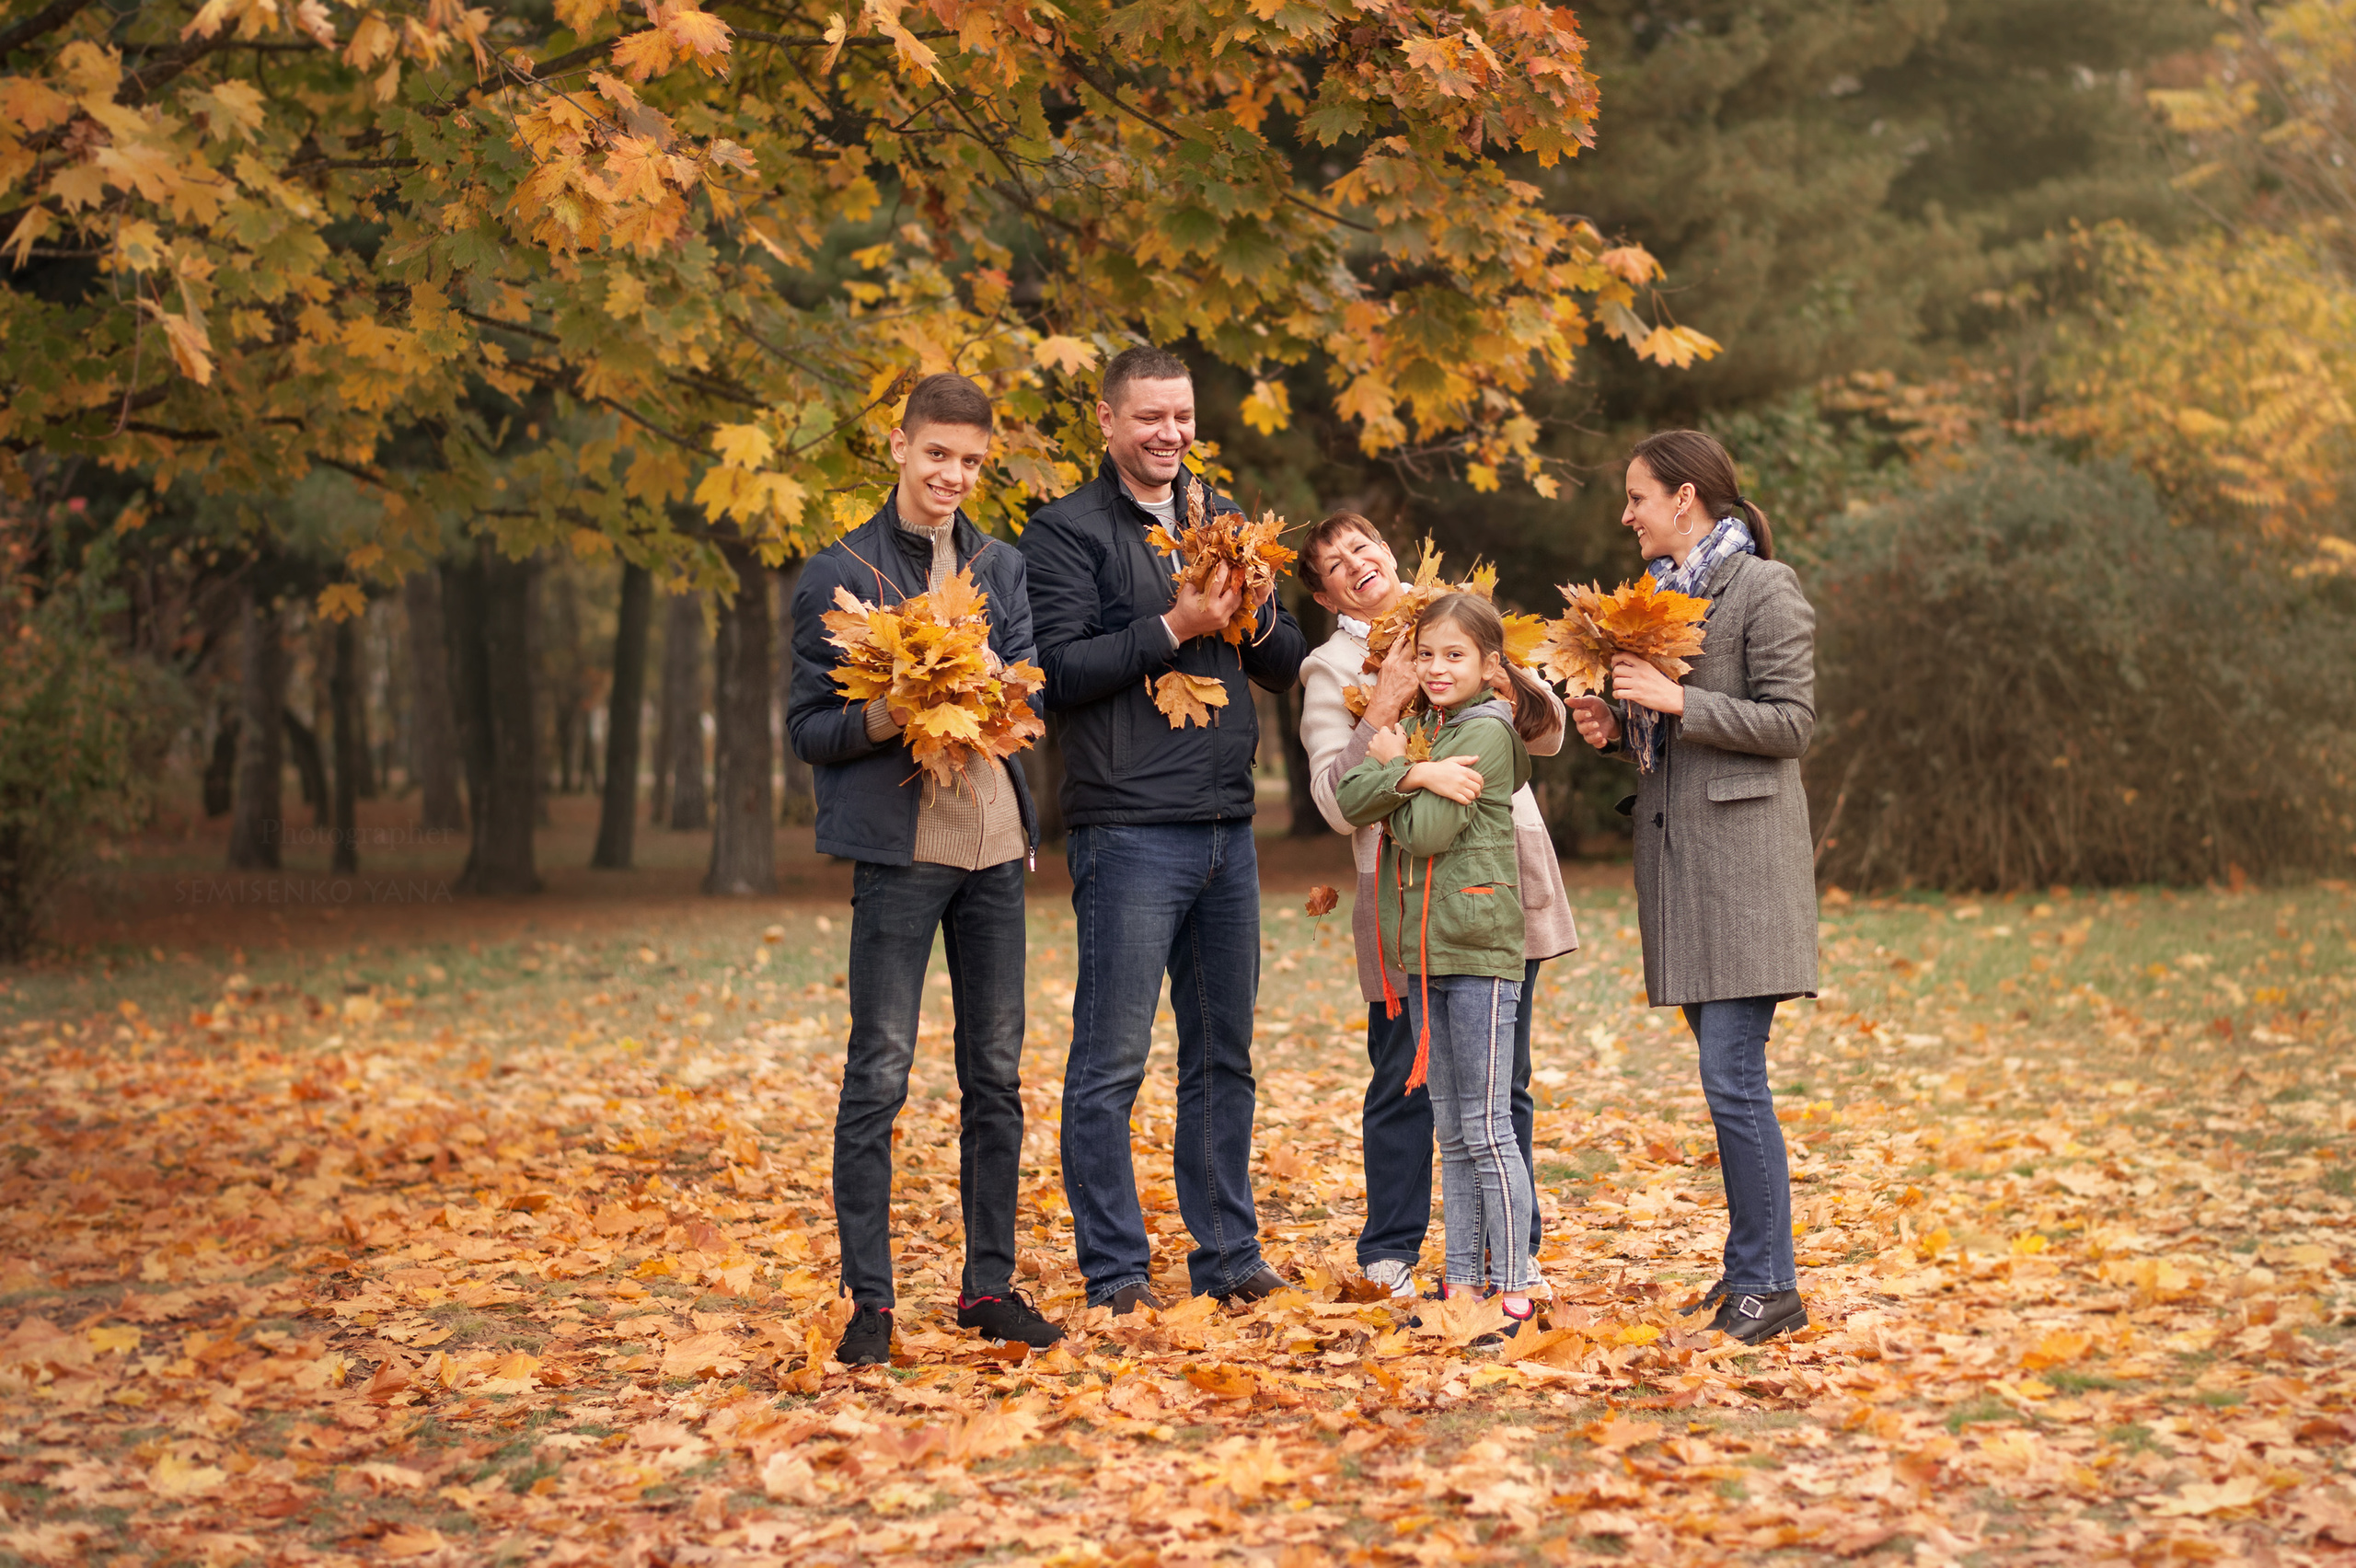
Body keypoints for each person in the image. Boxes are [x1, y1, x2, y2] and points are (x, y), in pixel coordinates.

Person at [1020, 345, 1310, 1312]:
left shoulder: (1223, 517)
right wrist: (1177, 626)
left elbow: (1282, 664)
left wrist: (1258, 616)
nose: (1169, 435)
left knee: (1222, 1055)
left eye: (1181, 416)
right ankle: (1114, 1272)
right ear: (1106, 421)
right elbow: (1055, 672)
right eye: (1149, 417)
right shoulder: (1063, 533)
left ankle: (1229, 1258)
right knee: (1110, 1061)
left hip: (1228, 823)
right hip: (1129, 827)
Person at [786, 372, 1062, 1365]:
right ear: (898, 447)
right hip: (900, 857)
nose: (952, 475)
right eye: (937, 453)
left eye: (971, 461)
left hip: (992, 848)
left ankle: (988, 1287)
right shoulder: (839, 572)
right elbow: (808, 729)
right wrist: (886, 714)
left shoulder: (1001, 565)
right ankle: (871, 1302)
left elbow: (1031, 692)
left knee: (994, 1075)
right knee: (879, 1074)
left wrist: (995, 686)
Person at [1567, 429, 1819, 1345]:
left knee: (1732, 1076)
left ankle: (1769, 1286)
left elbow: (1790, 724)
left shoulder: (1762, 588)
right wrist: (1615, 725)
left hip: (1746, 872)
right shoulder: (1657, 603)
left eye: (1636, 497)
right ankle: (1750, 1274)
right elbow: (1671, 747)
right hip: (1679, 870)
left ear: (1683, 499)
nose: (1625, 514)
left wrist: (1678, 704)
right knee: (1726, 1080)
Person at [1295, 514, 1576, 1300]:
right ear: (1323, 593)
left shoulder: (1458, 623)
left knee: (1500, 1084)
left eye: (1365, 547)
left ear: (1388, 549)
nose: (1358, 565)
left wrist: (1488, 667)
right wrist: (1383, 711)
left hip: (1497, 886)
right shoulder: (1330, 667)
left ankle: (1508, 1257)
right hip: (1407, 894)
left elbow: (1545, 736)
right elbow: (1333, 799)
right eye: (1335, 564)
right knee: (1407, 1077)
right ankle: (1392, 1246)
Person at [1335, 594, 1556, 1336]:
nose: (1435, 667)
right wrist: (1417, 774)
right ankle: (1462, 1278)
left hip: (1482, 948)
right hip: (1426, 951)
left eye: (1454, 655)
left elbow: (1425, 837)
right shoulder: (1427, 731)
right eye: (1425, 653)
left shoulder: (1489, 732)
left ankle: (1518, 1280)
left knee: (1490, 1127)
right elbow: (1348, 795)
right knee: (1452, 1129)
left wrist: (1399, 775)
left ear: (1490, 666)